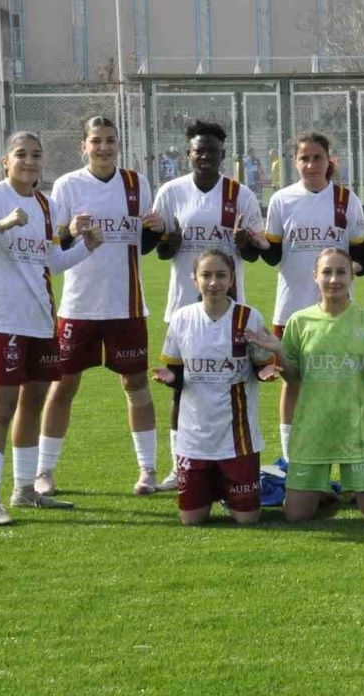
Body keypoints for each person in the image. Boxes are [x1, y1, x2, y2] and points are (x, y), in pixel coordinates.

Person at [0, 131, 105, 525]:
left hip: (40, 320)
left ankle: (24, 490)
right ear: (6, 161)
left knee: (33, 403)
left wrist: (86, 247)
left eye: (36, 155)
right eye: (20, 154)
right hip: (2, 319)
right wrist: (1, 225)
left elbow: (50, 262)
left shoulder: (46, 205)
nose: (29, 161)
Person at [35, 117, 164, 497]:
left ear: (118, 144)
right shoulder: (68, 185)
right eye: (96, 141)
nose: (104, 147)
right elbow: (53, 242)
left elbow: (144, 243)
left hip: (127, 306)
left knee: (136, 384)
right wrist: (70, 231)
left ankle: (147, 469)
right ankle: (44, 471)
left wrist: (154, 229)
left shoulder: (136, 183)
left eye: (110, 140)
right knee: (63, 386)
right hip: (79, 307)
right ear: (84, 146)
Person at [248, 248, 364, 521]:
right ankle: (327, 494)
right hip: (312, 430)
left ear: (352, 276)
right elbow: (293, 378)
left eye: (341, 272)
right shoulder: (299, 321)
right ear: (315, 276)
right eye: (327, 272)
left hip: (357, 428)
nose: (334, 279)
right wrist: (279, 351)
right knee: (296, 514)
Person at [151, 119, 265, 491]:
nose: (205, 156)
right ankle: (179, 466)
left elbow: (254, 254)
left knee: (230, 385)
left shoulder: (241, 195)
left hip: (231, 312)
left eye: (212, 151)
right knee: (182, 387)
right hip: (184, 308)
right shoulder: (171, 192)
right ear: (188, 153)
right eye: (199, 150)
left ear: (222, 155)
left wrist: (244, 242)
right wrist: (169, 240)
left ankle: (230, 460)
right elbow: (160, 250)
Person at [260, 131, 364, 478]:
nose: (311, 165)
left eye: (317, 157)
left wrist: (359, 262)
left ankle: (347, 456)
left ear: (329, 160)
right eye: (304, 158)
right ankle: (291, 458)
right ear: (295, 162)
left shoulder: (346, 199)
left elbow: (359, 253)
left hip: (338, 311)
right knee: (292, 383)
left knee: (342, 383)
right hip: (292, 309)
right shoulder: (281, 200)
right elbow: (273, 254)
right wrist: (255, 244)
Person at [151, 248, 279, 525]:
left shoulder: (248, 317)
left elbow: (260, 364)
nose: (213, 282)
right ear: (194, 279)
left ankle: (229, 490)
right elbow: (177, 371)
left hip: (238, 437)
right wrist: (171, 378)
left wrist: (265, 372)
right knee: (191, 520)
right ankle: (216, 488)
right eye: (206, 275)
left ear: (232, 278)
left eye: (221, 275)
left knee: (247, 520)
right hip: (194, 438)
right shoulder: (182, 318)